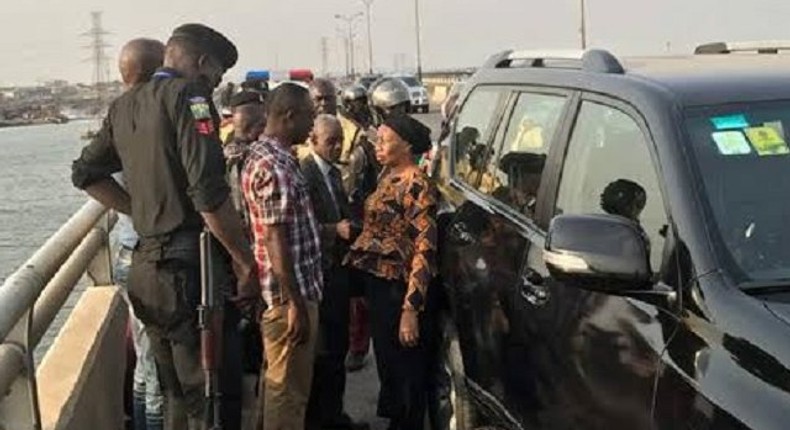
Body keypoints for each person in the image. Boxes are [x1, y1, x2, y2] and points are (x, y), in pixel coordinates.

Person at [71, 23, 259, 430]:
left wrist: (139, 211)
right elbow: (208, 193)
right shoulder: (190, 97)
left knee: (174, 393)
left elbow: (86, 173)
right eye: (216, 75)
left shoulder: (123, 106)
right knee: (209, 397)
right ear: (202, 63)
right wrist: (245, 262)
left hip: (145, 270)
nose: (214, 85)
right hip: (188, 271)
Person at [344, 115, 438, 430]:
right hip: (379, 288)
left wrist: (411, 309)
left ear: (407, 145)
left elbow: (424, 249)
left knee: (406, 369)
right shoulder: (388, 174)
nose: (377, 144)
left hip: (399, 289)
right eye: (378, 139)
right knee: (389, 363)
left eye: (385, 139)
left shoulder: (417, 184)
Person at [241, 83, 323, 430]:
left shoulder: (268, 156)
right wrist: (295, 305)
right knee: (287, 394)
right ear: (290, 117)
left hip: (287, 294)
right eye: (310, 118)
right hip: (289, 297)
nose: (313, 127)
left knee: (277, 385)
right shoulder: (274, 167)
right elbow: (275, 239)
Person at [301, 115, 368, 430]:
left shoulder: (333, 173)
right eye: (330, 141)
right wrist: (334, 230)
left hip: (339, 274)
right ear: (313, 140)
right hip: (321, 275)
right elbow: (300, 228)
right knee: (325, 354)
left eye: (340, 139)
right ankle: (322, 419)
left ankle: (335, 415)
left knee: (337, 349)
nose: (337, 146)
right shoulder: (306, 174)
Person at [114, 37, 166, 430]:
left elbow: (88, 174)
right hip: (144, 249)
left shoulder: (119, 115)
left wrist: (133, 210)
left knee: (146, 365)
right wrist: (142, 211)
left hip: (129, 245)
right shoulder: (140, 118)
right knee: (156, 364)